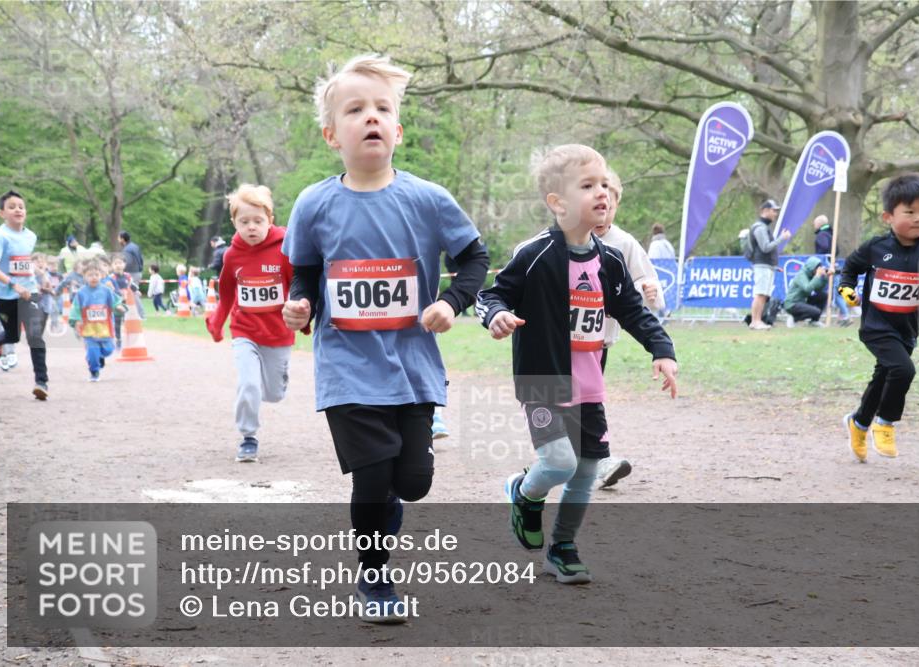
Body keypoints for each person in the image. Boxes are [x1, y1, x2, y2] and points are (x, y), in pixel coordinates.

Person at [281, 54, 488, 622]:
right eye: (355, 110)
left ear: (397, 130)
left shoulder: (428, 199)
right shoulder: (314, 203)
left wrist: (450, 301)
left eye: (382, 109)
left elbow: (475, 259)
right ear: (332, 135)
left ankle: (389, 503)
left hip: (412, 366)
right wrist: (301, 304)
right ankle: (374, 578)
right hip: (346, 367)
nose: (370, 117)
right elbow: (303, 272)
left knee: (413, 482)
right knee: (371, 479)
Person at [477, 144, 677, 585]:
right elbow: (492, 294)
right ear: (559, 203)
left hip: (589, 382)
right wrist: (496, 315)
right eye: (587, 185)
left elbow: (634, 312)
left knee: (586, 470)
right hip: (542, 379)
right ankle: (524, 491)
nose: (602, 192)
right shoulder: (534, 254)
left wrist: (662, 350)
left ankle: (563, 548)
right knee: (559, 463)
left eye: (604, 183)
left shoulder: (610, 260)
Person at [838, 173, 919, 462]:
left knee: (884, 375)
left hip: (907, 330)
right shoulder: (875, 247)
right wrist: (846, 290)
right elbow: (849, 270)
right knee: (904, 370)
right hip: (876, 327)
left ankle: (858, 423)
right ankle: (885, 423)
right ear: (888, 217)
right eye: (910, 212)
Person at [207, 185, 305, 462]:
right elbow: (227, 293)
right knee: (249, 384)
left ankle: (269, 388)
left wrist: (303, 316)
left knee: (273, 394)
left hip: (278, 332)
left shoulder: (285, 249)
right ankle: (248, 437)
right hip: (244, 330)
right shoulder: (231, 255)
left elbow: (297, 285)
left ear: (270, 220)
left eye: (258, 221)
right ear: (234, 223)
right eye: (244, 221)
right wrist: (216, 323)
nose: (251, 227)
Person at [590, 168, 666, 489]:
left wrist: (651, 292)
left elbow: (649, 286)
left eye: (609, 204)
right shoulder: (563, 240)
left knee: (589, 398)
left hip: (598, 339)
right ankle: (571, 455)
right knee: (565, 399)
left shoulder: (624, 243)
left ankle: (597, 459)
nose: (602, 210)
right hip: (558, 337)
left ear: (616, 205)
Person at [0, 191, 50, 399]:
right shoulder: (0, 236)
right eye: (12, 207)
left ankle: (41, 383)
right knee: (13, 336)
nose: (18, 210)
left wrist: (41, 275)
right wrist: (13, 285)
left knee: (35, 336)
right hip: (4, 296)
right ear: (2, 213)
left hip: (29, 293)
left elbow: (24, 261)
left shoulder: (30, 236)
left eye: (21, 207)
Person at [68, 261, 119, 381]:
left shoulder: (106, 290)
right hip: (89, 329)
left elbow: (115, 302)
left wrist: (119, 306)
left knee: (108, 350)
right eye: (90, 275)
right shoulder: (81, 293)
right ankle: (94, 371)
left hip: (105, 328)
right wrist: (76, 320)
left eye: (96, 275)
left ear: (101, 275)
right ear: (84, 277)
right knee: (92, 351)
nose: (94, 277)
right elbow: (76, 307)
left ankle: (99, 356)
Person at [747, 199, 792, 330]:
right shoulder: (760, 228)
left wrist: (773, 266)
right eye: (773, 211)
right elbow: (765, 247)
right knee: (760, 294)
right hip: (762, 266)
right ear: (765, 211)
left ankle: (757, 320)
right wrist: (781, 238)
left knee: (763, 295)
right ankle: (755, 321)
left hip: (766, 266)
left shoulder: (764, 227)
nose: (775, 214)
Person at [783, 256, 832, 326]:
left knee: (823, 296)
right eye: (817, 268)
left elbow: (818, 289)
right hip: (792, 303)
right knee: (816, 311)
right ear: (812, 267)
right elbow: (807, 288)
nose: (818, 270)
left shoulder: (811, 275)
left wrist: (825, 277)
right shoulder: (801, 275)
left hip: (803, 300)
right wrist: (817, 276)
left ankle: (814, 321)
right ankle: (794, 318)